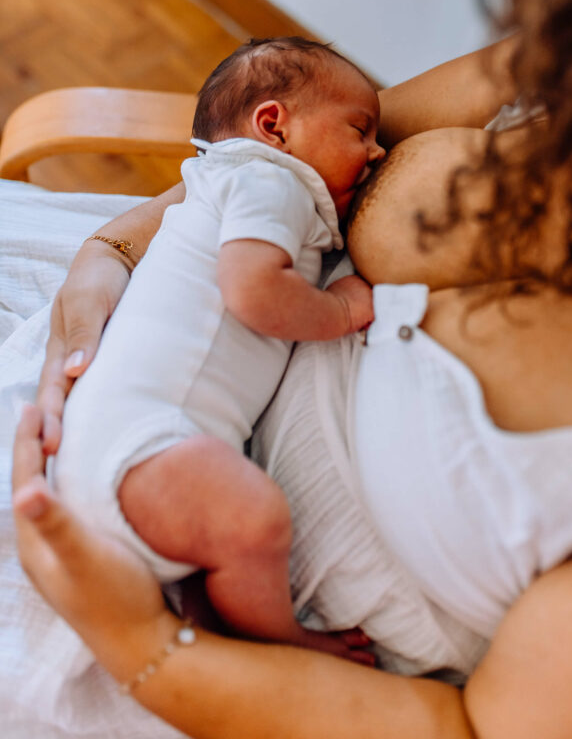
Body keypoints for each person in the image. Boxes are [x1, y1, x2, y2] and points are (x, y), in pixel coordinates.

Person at [13, 0, 572, 735]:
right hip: (141, 375)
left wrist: (140, 646)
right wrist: (118, 253)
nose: (536, 59)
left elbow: (464, 730)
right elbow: (279, 159)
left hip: (223, 646)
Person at [54, 36, 383, 661]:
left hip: (120, 448)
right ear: (274, 127)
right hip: (147, 449)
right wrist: (340, 309)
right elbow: (253, 291)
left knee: (221, 524)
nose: (377, 150)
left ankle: (206, 599)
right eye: (360, 129)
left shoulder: (224, 182)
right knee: (254, 518)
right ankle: (275, 638)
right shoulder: (270, 181)